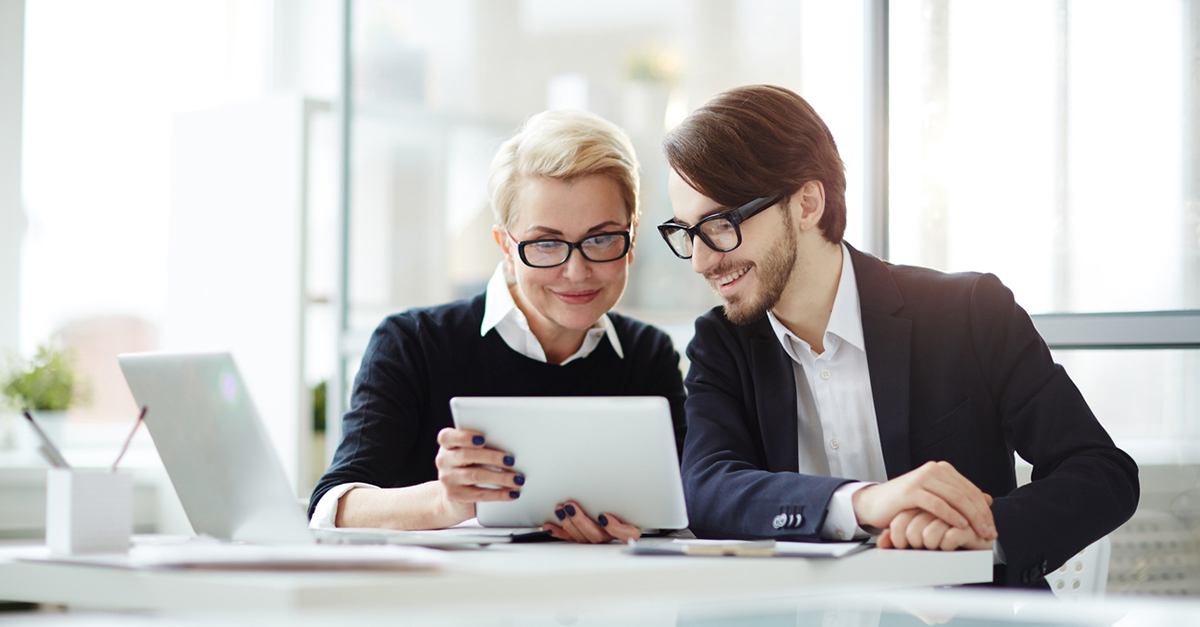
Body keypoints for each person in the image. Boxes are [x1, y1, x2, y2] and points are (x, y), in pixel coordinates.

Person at [659, 84, 1138, 587]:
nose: (700, 260)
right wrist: (862, 501)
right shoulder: (721, 344)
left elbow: (1101, 472)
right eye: (686, 232)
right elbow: (708, 487)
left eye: (717, 223)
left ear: (806, 203)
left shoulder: (970, 313)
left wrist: (981, 532)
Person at [309, 109, 687, 543]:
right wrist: (446, 503)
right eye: (546, 243)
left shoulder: (647, 355)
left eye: (601, 239)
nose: (577, 270)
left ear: (632, 237)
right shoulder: (414, 343)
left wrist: (640, 527)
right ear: (505, 245)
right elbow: (332, 505)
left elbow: (679, 505)